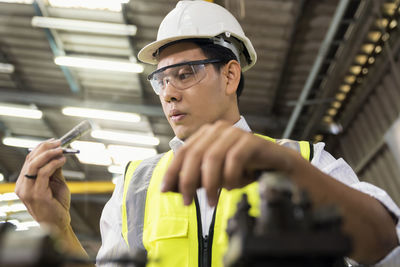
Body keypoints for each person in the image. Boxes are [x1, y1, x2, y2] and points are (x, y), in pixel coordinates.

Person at [15, 1, 400, 267]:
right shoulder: (134, 186)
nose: (169, 92)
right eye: (161, 80)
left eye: (185, 73)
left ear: (230, 75)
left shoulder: (303, 161)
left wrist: (291, 172)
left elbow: (388, 248)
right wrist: (59, 227)